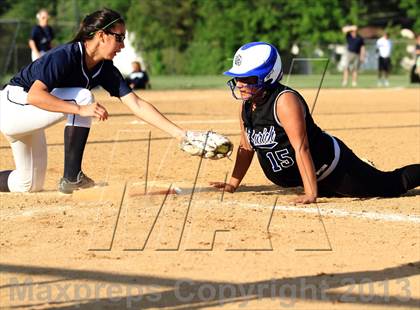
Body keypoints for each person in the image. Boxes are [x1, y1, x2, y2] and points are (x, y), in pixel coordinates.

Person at [0, 8, 187, 194]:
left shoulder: (105, 69)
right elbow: (35, 95)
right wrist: (80, 109)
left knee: (28, 184)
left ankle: (68, 177)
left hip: (28, 117)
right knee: (82, 97)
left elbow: (136, 104)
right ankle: (72, 176)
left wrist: (180, 134)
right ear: (101, 35)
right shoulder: (65, 55)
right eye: (119, 37)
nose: (122, 45)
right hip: (13, 107)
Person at [211, 42, 420, 204]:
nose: (240, 84)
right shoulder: (247, 106)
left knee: (390, 185)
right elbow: (246, 147)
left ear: (269, 76)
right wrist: (232, 184)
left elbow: (301, 147)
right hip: (308, 175)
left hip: (332, 168)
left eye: (248, 79)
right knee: (344, 194)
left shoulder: (284, 101)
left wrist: (311, 194)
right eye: (238, 78)